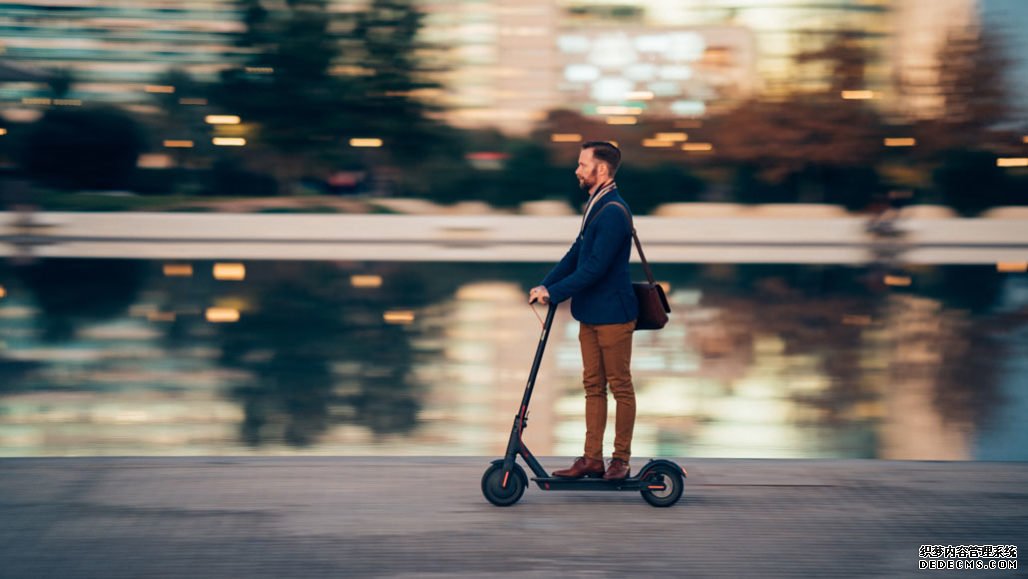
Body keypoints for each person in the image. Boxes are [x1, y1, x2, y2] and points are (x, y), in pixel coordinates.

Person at [529, 141, 638, 481]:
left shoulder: (614, 211)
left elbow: (594, 268)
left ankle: (620, 460)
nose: (577, 169)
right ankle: (592, 459)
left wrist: (556, 293)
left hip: (614, 315)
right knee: (593, 385)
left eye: (582, 164)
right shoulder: (596, 204)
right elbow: (575, 254)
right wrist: (545, 285)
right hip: (590, 312)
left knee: (620, 386)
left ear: (601, 170)